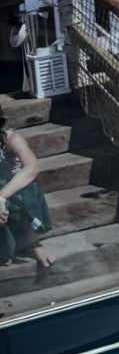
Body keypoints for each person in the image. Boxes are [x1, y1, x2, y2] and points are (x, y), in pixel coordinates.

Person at [0, 116, 52, 281]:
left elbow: (32, 168)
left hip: (16, 195)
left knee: (26, 193)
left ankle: (32, 241)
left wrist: (1, 198)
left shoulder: (11, 139)